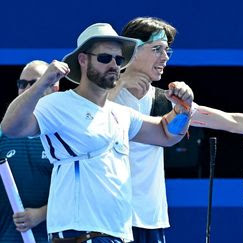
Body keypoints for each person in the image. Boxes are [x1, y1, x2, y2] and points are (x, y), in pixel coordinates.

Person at [0, 23, 193, 242]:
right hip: (80, 234)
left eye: (118, 60)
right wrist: (42, 82)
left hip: (118, 235)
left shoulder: (121, 114)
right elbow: (11, 127)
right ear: (83, 60)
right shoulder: (58, 104)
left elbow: (166, 133)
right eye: (104, 58)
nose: (113, 65)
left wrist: (183, 109)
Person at [107, 17, 243, 242]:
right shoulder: (98, 96)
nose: (165, 57)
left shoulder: (168, 102)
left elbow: (232, 122)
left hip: (149, 219)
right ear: (132, 49)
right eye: (157, 49)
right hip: (107, 218)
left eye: (167, 51)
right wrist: (117, 85)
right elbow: (80, 122)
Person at [0, 60, 59, 242]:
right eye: (21, 84)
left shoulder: (64, 135)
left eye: (33, 83)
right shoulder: (3, 133)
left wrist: (41, 214)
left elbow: (79, 192)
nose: (25, 89)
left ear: (54, 88)